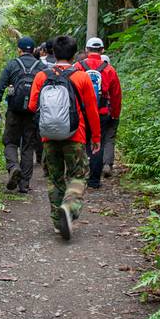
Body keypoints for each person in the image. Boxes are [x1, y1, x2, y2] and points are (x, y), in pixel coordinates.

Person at [28, 35, 101, 240]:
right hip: (75, 136)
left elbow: (32, 106)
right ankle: (69, 207)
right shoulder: (82, 77)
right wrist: (95, 137)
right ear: (73, 53)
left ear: (53, 52)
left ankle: (58, 223)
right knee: (78, 175)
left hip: (48, 139)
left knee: (54, 178)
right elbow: (92, 110)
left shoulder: (42, 76)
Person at [0, 36, 45, 193]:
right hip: (33, 112)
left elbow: (0, 88)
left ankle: (14, 167)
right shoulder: (41, 67)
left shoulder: (12, 65)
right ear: (33, 50)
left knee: (10, 142)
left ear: (19, 50)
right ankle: (24, 184)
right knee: (28, 146)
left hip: (14, 111)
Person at [75, 37, 122, 187]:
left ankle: (78, 176)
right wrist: (115, 113)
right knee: (97, 143)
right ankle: (94, 180)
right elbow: (116, 95)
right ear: (102, 50)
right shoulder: (109, 69)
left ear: (87, 50)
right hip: (101, 112)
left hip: (81, 112)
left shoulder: (78, 67)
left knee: (81, 142)